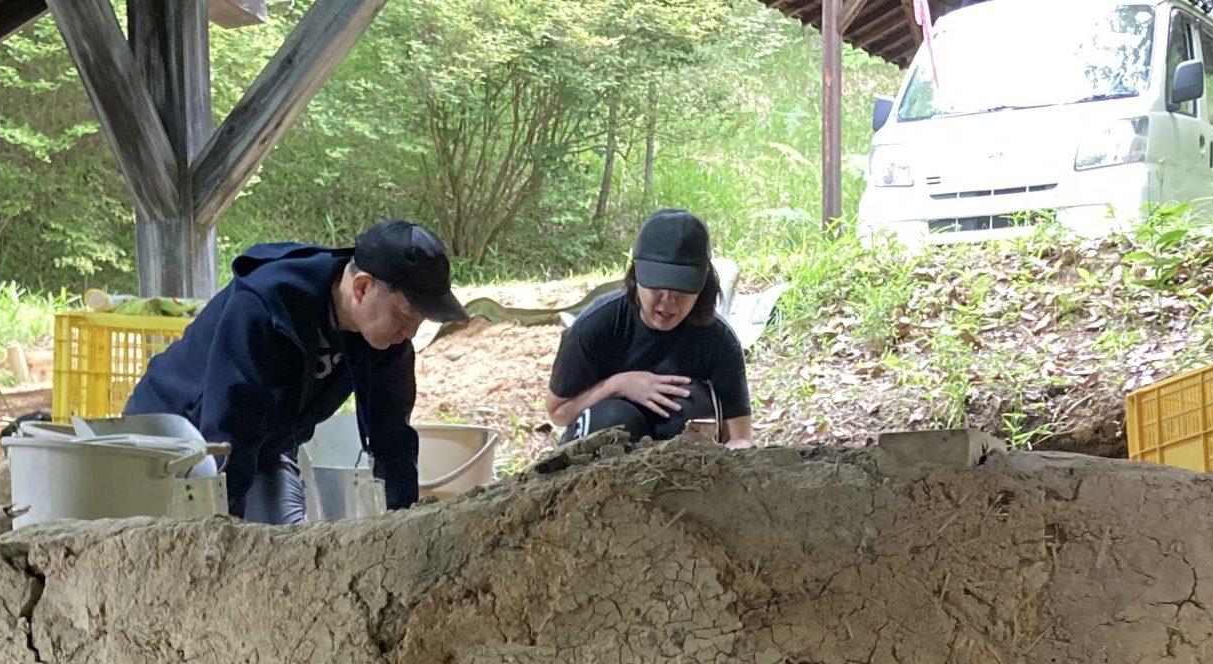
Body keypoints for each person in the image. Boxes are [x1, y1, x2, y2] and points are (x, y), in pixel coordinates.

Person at [123, 222, 468, 524]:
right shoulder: (266, 305)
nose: (408, 333)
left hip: (264, 446)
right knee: (209, 553)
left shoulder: (384, 339)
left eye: (418, 323)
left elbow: (392, 438)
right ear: (362, 288)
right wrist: (224, 528)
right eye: (405, 316)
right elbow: (229, 425)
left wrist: (401, 527)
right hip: (172, 440)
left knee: (287, 554)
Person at [547, 209, 752, 447]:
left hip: (684, 468)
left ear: (703, 284)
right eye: (658, 285)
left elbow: (741, 437)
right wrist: (616, 386)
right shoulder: (598, 324)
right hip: (603, 464)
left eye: (682, 288)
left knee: (691, 405)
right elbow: (558, 412)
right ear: (636, 276)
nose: (668, 301)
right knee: (613, 417)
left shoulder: (719, 339)